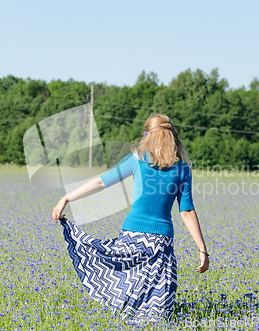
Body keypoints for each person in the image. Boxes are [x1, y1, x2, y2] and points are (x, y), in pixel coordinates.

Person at [51, 113, 209, 325]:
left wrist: (67, 198)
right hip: (160, 244)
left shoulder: (137, 160)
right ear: (172, 137)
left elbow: (101, 182)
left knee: (126, 292)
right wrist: (202, 250)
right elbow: (186, 211)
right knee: (157, 308)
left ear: (148, 135)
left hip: (131, 238)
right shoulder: (182, 169)